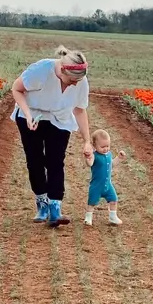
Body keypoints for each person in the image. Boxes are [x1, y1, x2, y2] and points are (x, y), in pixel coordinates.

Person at [10, 47, 92, 227]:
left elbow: (79, 109)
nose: (75, 84)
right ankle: (42, 203)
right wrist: (28, 114)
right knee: (35, 161)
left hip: (59, 119)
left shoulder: (80, 80)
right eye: (71, 80)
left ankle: (55, 207)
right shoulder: (41, 70)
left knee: (55, 161)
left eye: (78, 81)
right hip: (31, 116)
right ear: (62, 70)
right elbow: (16, 89)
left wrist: (87, 141)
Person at [83, 128, 122, 227]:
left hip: (108, 185)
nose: (106, 149)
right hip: (97, 185)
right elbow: (90, 164)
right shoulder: (94, 156)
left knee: (113, 200)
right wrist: (88, 158)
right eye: (103, 146)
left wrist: (119, 158)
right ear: (95, 146)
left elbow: (112, 164)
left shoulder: (109, 154)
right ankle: (88, 218)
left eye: (107, 146)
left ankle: (113, 216)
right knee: (92, 202)